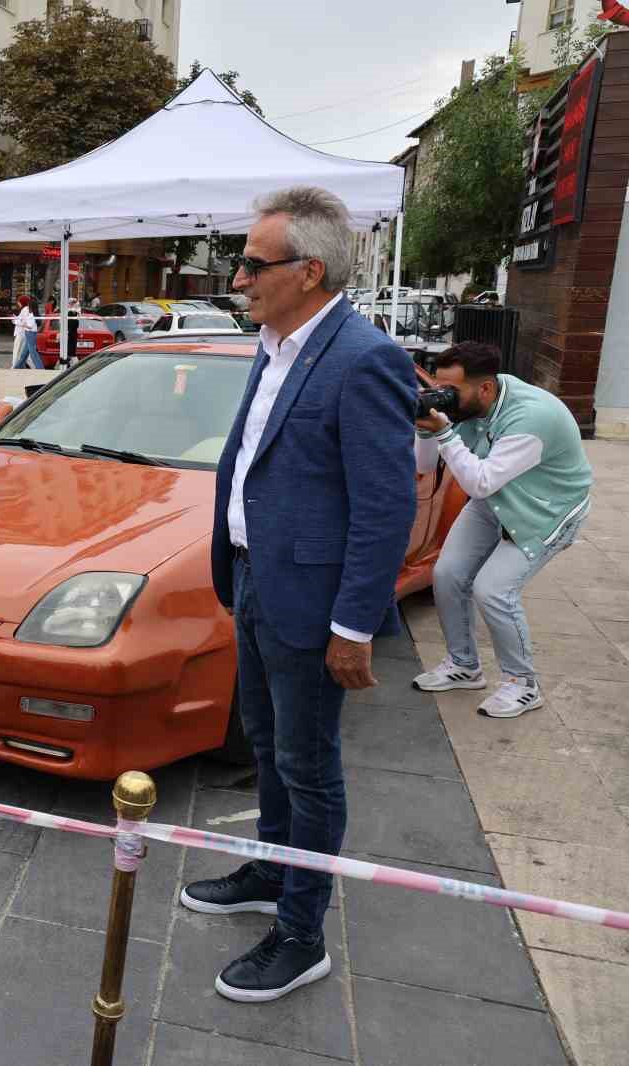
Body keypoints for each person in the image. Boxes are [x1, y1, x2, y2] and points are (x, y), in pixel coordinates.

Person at [181, 186, 417, 1003]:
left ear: (308, 271)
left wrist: (353, 625)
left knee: (308, 764)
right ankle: (272, 869)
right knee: (266, 741)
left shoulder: (364, 358)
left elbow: (385, 506)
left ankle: (301, 931)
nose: (238, 278)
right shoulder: (275, 345)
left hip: (313, 603)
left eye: (253, 263)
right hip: (254, 578)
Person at [410, 340, 592, 717]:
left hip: (546, 510)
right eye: (438, 388)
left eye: (451, 390)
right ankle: (464, 666)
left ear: (485, 388)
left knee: (493, 590)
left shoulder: (531, 416)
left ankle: (522, 685)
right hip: (498, 497)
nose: (444, 397)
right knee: (447, 574)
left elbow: (479, 483)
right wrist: (425, 429)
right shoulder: (472, 402)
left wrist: (444, 434)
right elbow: (424, 466)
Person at [10, 295, 41, 369]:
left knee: (18, 351)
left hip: (22, 333)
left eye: (19, 301)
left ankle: (15, 366)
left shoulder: (25, 309)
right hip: (25, 333)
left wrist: (14, 321)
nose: (18, 303)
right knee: (25, 353)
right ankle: (18, 366)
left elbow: (23, 321)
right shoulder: (27, 309)